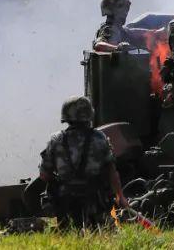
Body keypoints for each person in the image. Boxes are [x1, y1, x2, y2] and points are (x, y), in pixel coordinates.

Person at [38, 96, 127, 229]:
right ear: (89, 114)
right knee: (106, 236)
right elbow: (111, 171)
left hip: (66, 202)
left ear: (66, 115)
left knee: (68, 234)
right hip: (96, 201)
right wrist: (120, 196)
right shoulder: (100, 138)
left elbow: (44, 176)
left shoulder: (55, 140)